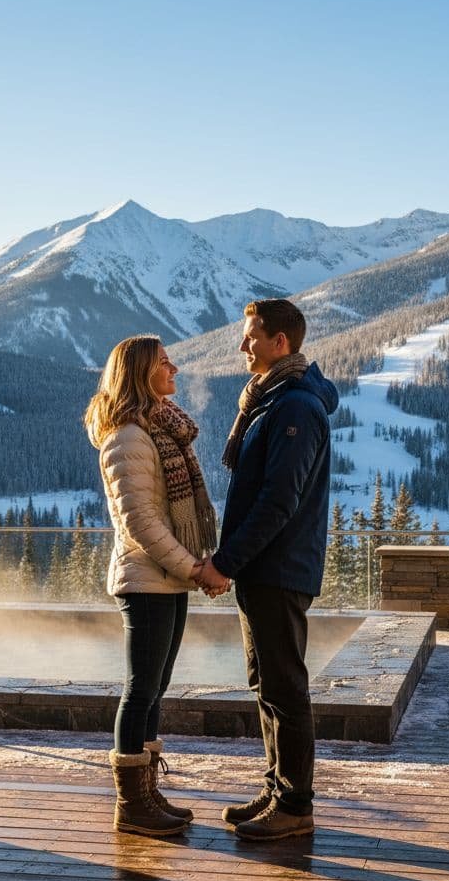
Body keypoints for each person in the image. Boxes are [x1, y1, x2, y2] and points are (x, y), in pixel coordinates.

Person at [196, 299, 338, 841]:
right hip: (266, 571)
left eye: (250, 335)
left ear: (281, 341)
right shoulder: (271, 401)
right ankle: (278, 789)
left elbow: (279, 501)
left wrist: (226, 562)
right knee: (268, 685)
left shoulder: (296, 408)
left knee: (285, 685)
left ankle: (296, 805)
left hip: (279, 569)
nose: (242, 345)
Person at [84, 335, 229, 836]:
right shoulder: (127, 438)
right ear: (141, 373)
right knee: (140, 690)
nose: (175, 368)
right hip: (147, 580)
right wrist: (195, 568)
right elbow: (141, 523)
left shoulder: (158, 432)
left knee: (155, 688)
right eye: (164, 362)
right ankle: (132, 806)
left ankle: (146, 793)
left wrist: (191, 566)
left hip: (166, 579)